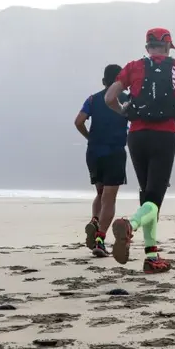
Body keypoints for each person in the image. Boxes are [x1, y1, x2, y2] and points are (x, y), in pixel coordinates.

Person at [105, 28, 175, 273]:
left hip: (137, 135)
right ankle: (130, 225)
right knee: (154, 197)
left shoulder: (133, 66)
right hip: (164, 135)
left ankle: (152, 256)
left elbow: (110, 97)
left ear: (147, 46)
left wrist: (124, 111)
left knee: (147, 195)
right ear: (168, 47)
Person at [75, 64, 129, 258]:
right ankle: (100, 239)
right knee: (109, 198)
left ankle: (95, 220)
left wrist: (90, 138)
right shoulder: (126, 99)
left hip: (94, 153)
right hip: (114, 151)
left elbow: (78, 121)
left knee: (100, 192)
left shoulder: (92, 99)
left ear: (104, 80)